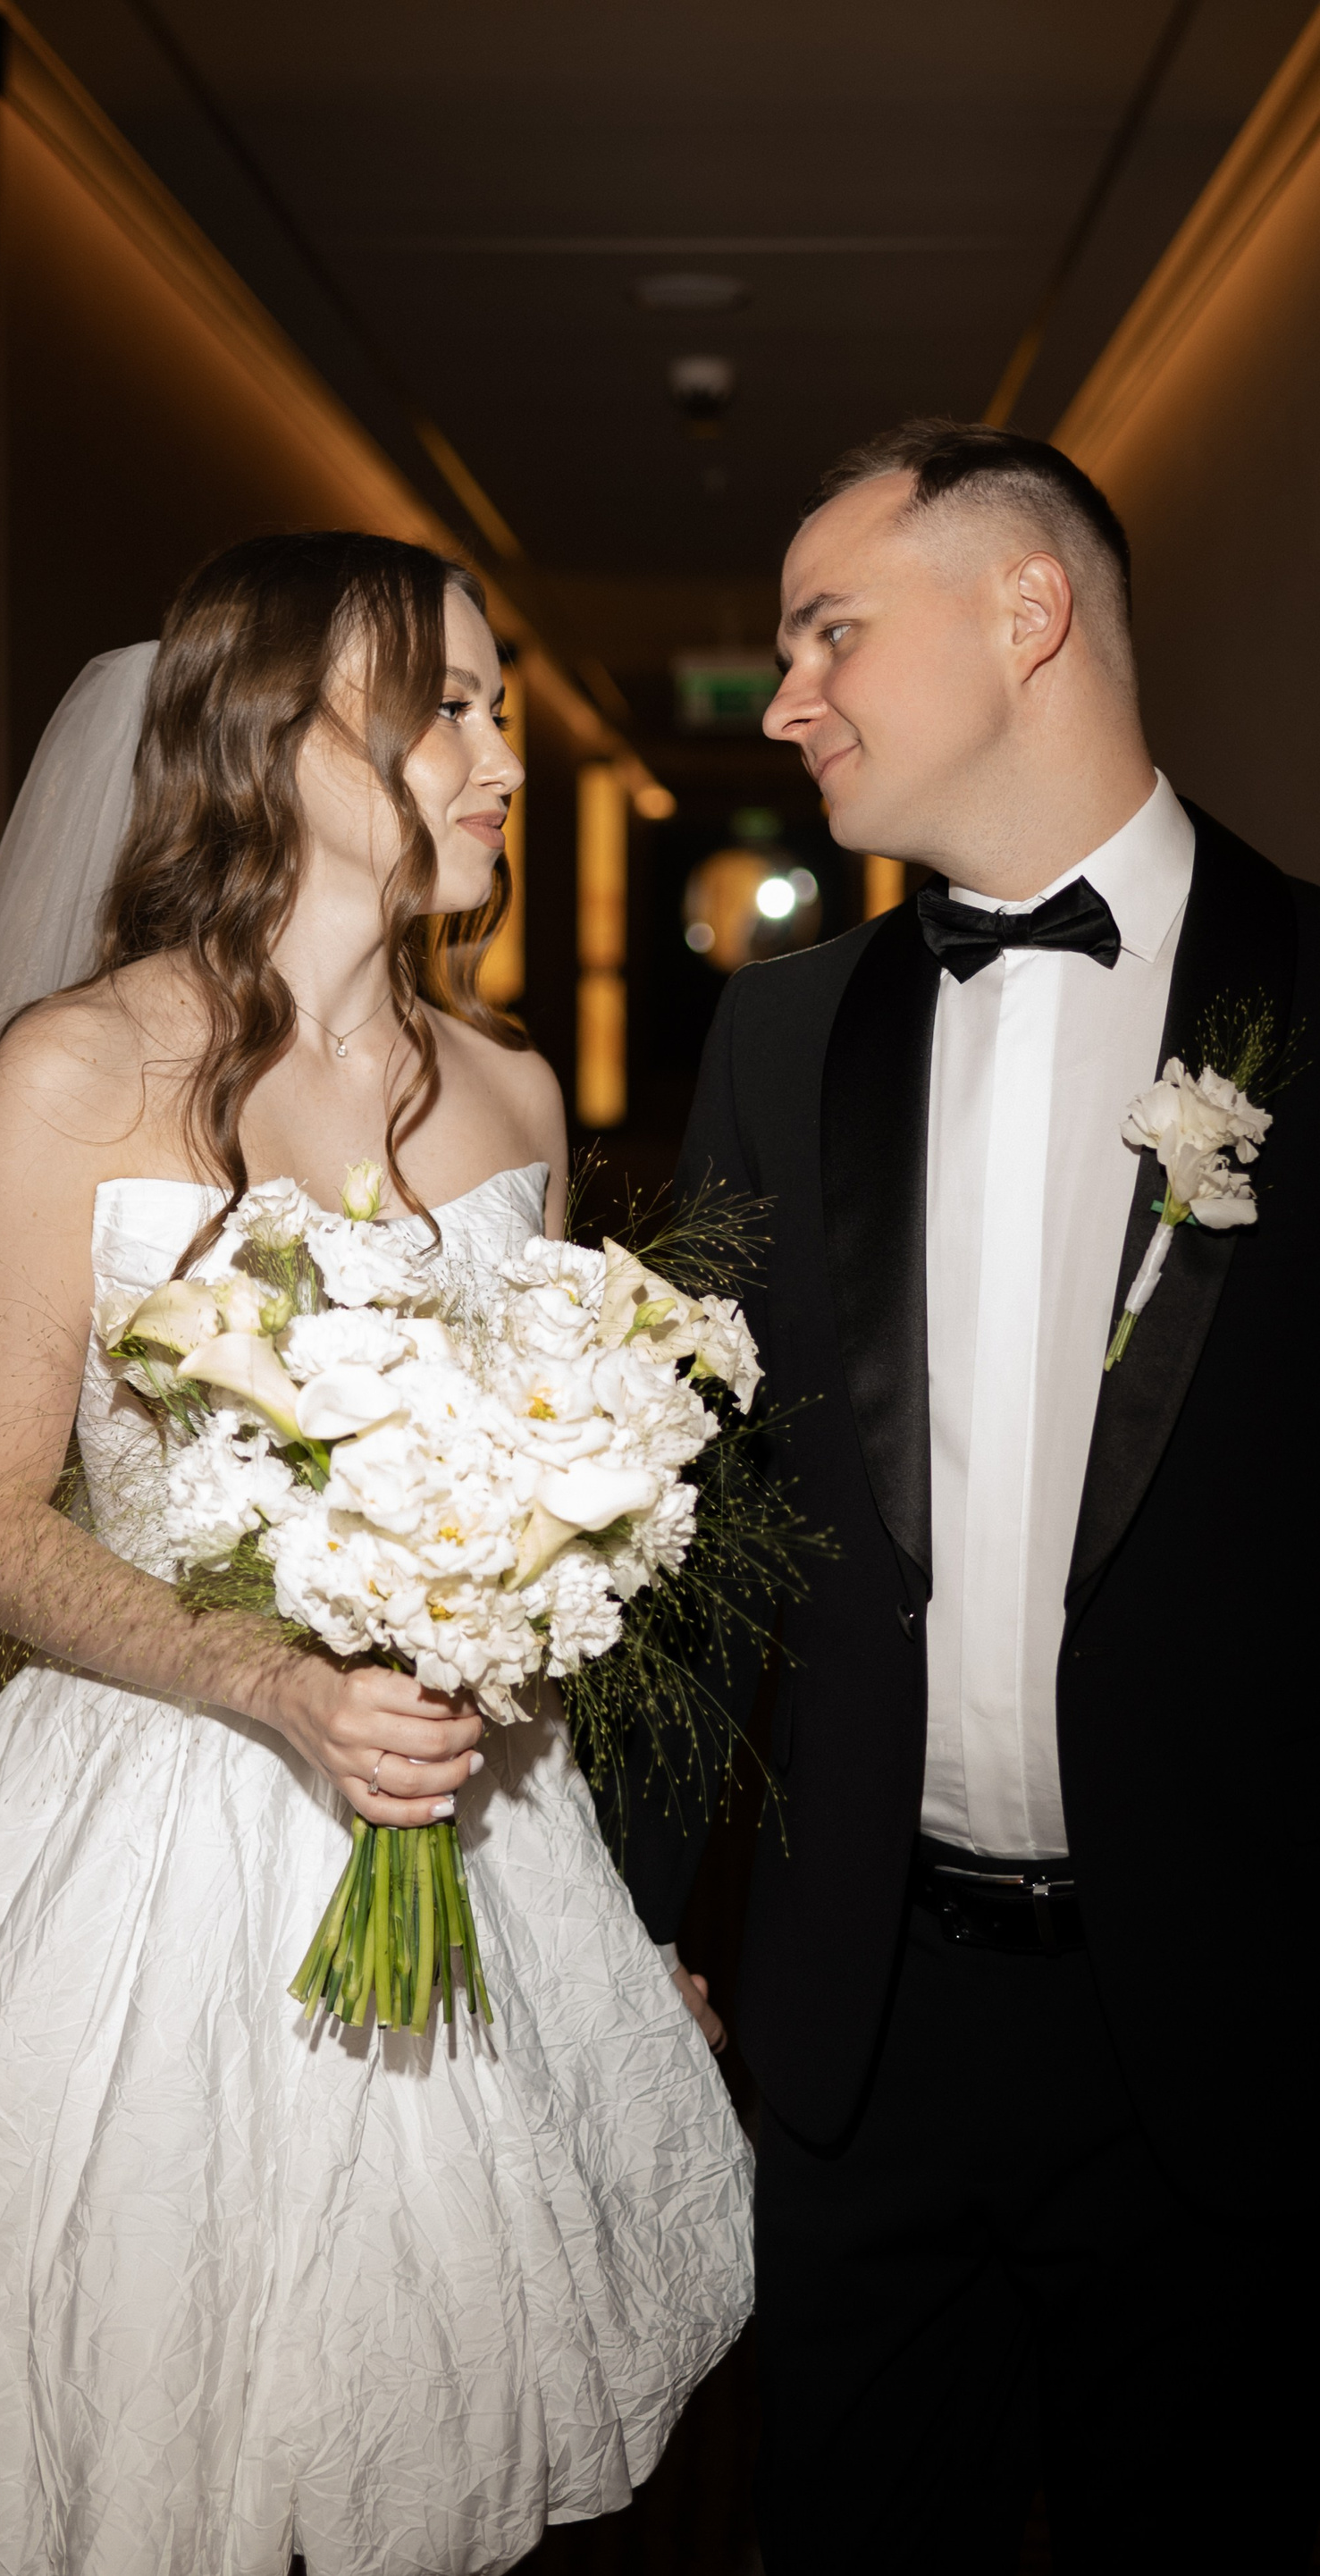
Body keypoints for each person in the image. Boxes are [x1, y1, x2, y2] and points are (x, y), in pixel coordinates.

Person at [0, 532, 752, 2576]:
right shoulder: (77, 1070)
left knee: (444, 2422)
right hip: (151, 1831)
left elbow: (547, 1532)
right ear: (279, 740)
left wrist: (617, 1909)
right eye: (449, 709)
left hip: (476, 1823)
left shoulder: (514, 1084)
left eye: (500, 708)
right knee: (135, 2416)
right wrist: (274, 1679)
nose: (504, 758)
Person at [626, 422, 1318, 2571]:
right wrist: (632, 1925)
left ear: (1030, 613)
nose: (788, 699)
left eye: (828, 633)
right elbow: (690, 1525)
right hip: (863, 2023)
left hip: (1235, 2029)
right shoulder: (778, 1040)